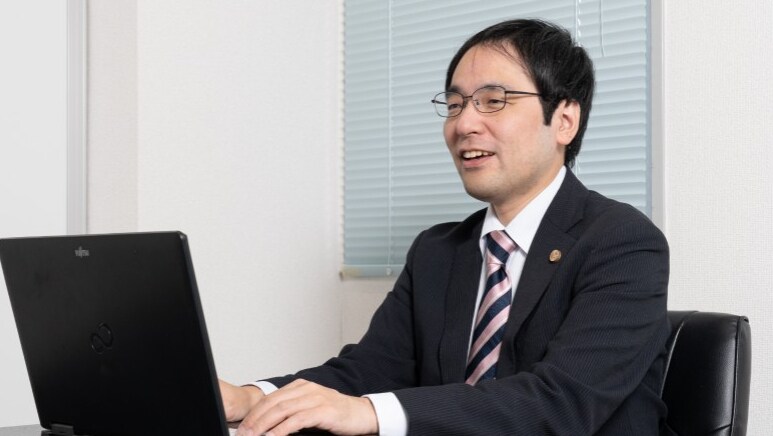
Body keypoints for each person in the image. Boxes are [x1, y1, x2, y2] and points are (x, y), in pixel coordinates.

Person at [220, 18, 670, 435]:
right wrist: (252, 398)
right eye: (455, 105)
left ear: (564, 121)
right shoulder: (437, 251)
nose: (464, 124)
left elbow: (560, 402)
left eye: (493, 101)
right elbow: (369, 371)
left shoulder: (622, 243)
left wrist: (367, 412)